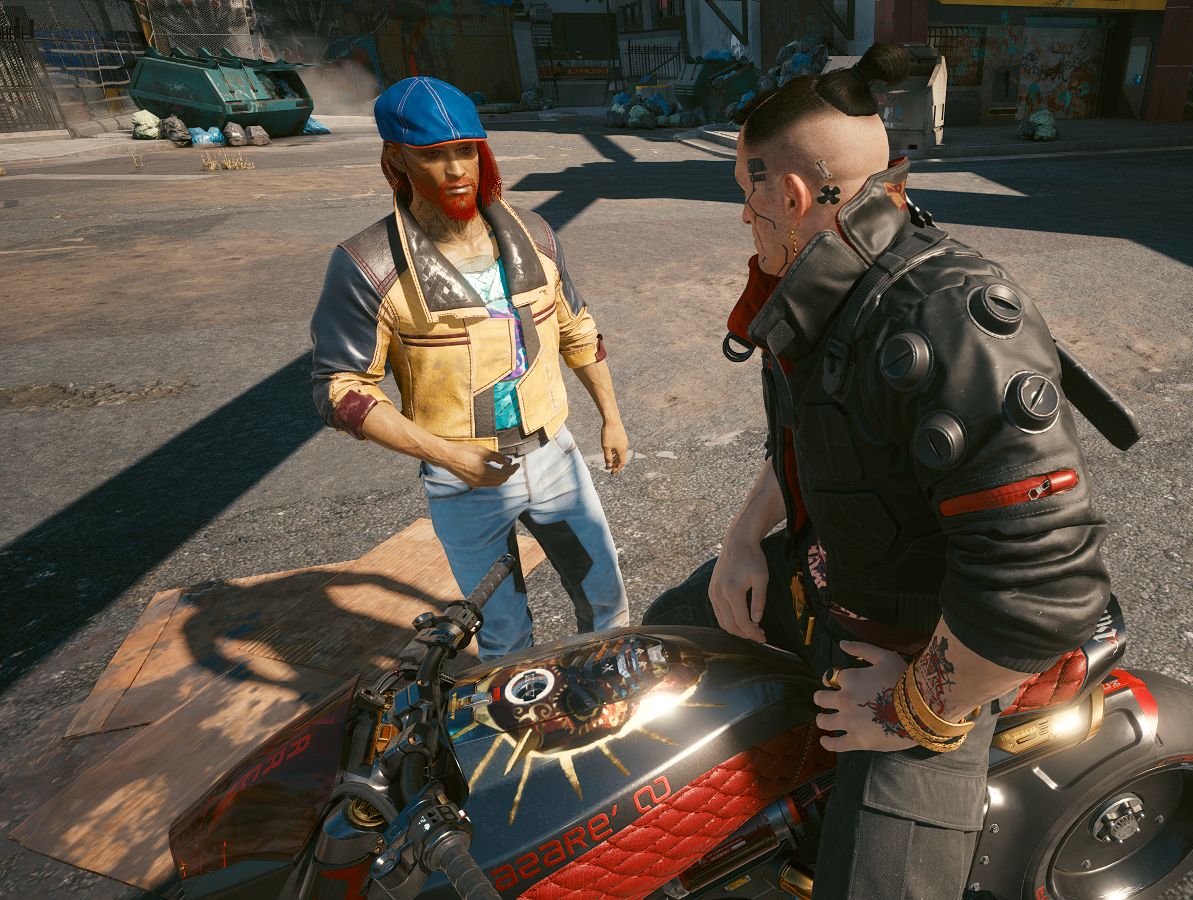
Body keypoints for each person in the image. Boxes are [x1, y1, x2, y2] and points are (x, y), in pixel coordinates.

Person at [644, 44, 1112, 899]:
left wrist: (911, 708)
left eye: (748, 195)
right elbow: (814, 439)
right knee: (665, 635)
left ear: (791, 195)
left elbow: (1041, 590)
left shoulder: (947, 318)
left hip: (924, 643)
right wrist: (743, 537)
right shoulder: (829, 286)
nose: (744, 216)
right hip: (834, 578)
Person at [311, 76, 629, 659]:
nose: (457, 170)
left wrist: (611, 416)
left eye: (466, 150)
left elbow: (577, 328)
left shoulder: (534, 235)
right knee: (503, 635)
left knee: (606, 604)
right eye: (433, 155)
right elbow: (340, 391)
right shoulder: (366, 263)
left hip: (553, 455)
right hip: (460, 481)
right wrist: (449, 456)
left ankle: (610, 696)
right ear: (396, 158)